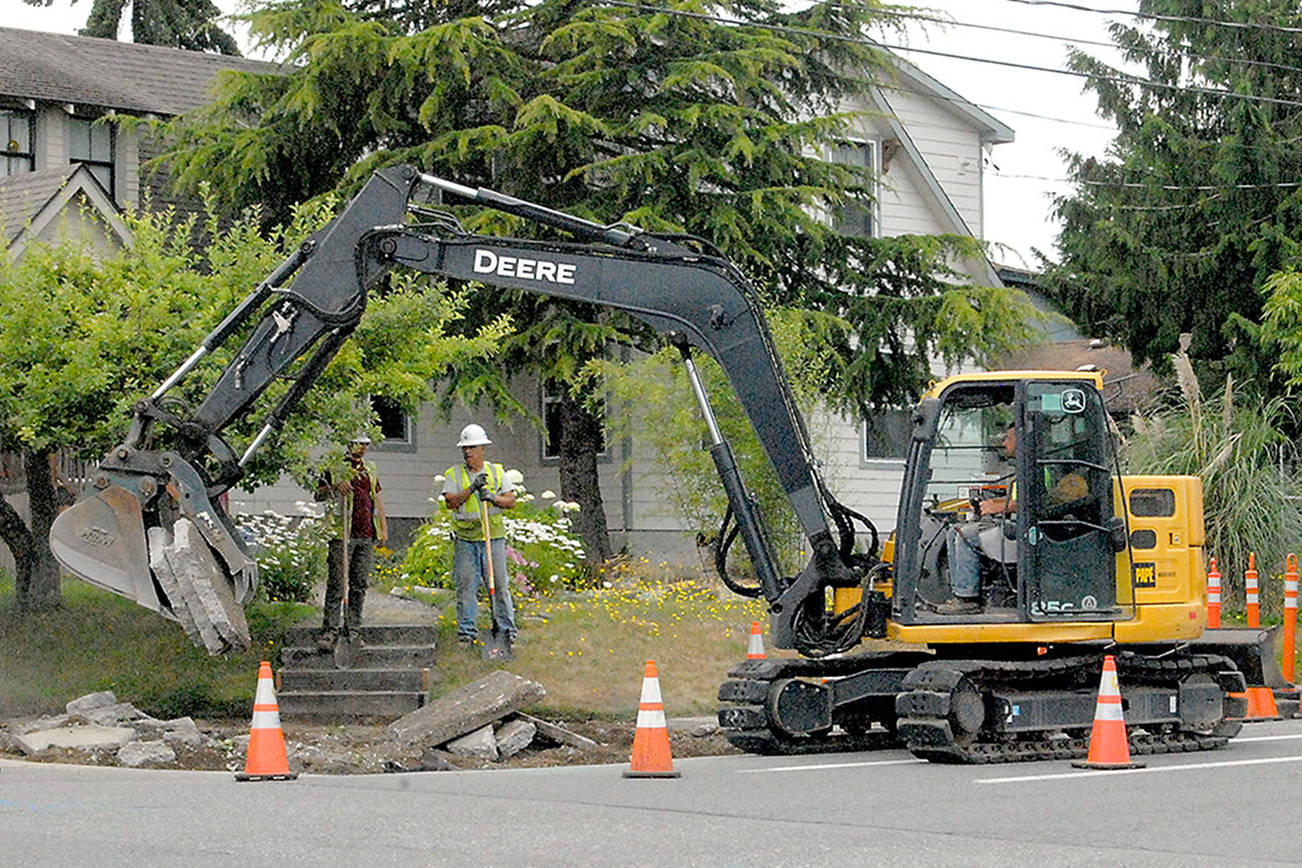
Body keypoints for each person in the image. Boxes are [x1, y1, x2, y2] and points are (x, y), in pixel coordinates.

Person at [939, 423, 1089, 615]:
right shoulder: (1026, 467)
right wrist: (993, 503)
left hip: (1030, 531)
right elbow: (1018, 499)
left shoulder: (1036, 469)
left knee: (965, 534)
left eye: (1008, 438)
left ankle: (967, 597)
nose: (1004, 443)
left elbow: (1034, 502)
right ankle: (959, 591)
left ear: (1021, 439)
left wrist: (1000, 506)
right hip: (1021, 525)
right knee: (954, 531)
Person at [441, 423, 518, 645]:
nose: (468, 452)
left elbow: (511, 501)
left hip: (492, 538)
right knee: (466, 586)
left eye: (472, 447)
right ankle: (466, 632)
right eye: (465, 448)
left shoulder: (496, 472)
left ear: (483, 448)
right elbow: (451, 502)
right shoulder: (454, 474)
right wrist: (472, 489)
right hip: (465, 540)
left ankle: (506, 630)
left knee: (500, 585)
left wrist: (492, 498)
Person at [315, 435, 387, 650]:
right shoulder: (335, 466)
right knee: (337, 583)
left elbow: (378, 497)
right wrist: (336, 487)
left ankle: (353, 628)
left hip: (365, 533)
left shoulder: (370, 468)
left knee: (359, 584)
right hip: (342, 533)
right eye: (360, 443)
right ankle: (330, 630)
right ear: (349, 443)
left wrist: (383, 528)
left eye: (366, 443)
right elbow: (318, 495)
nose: (364, 447)